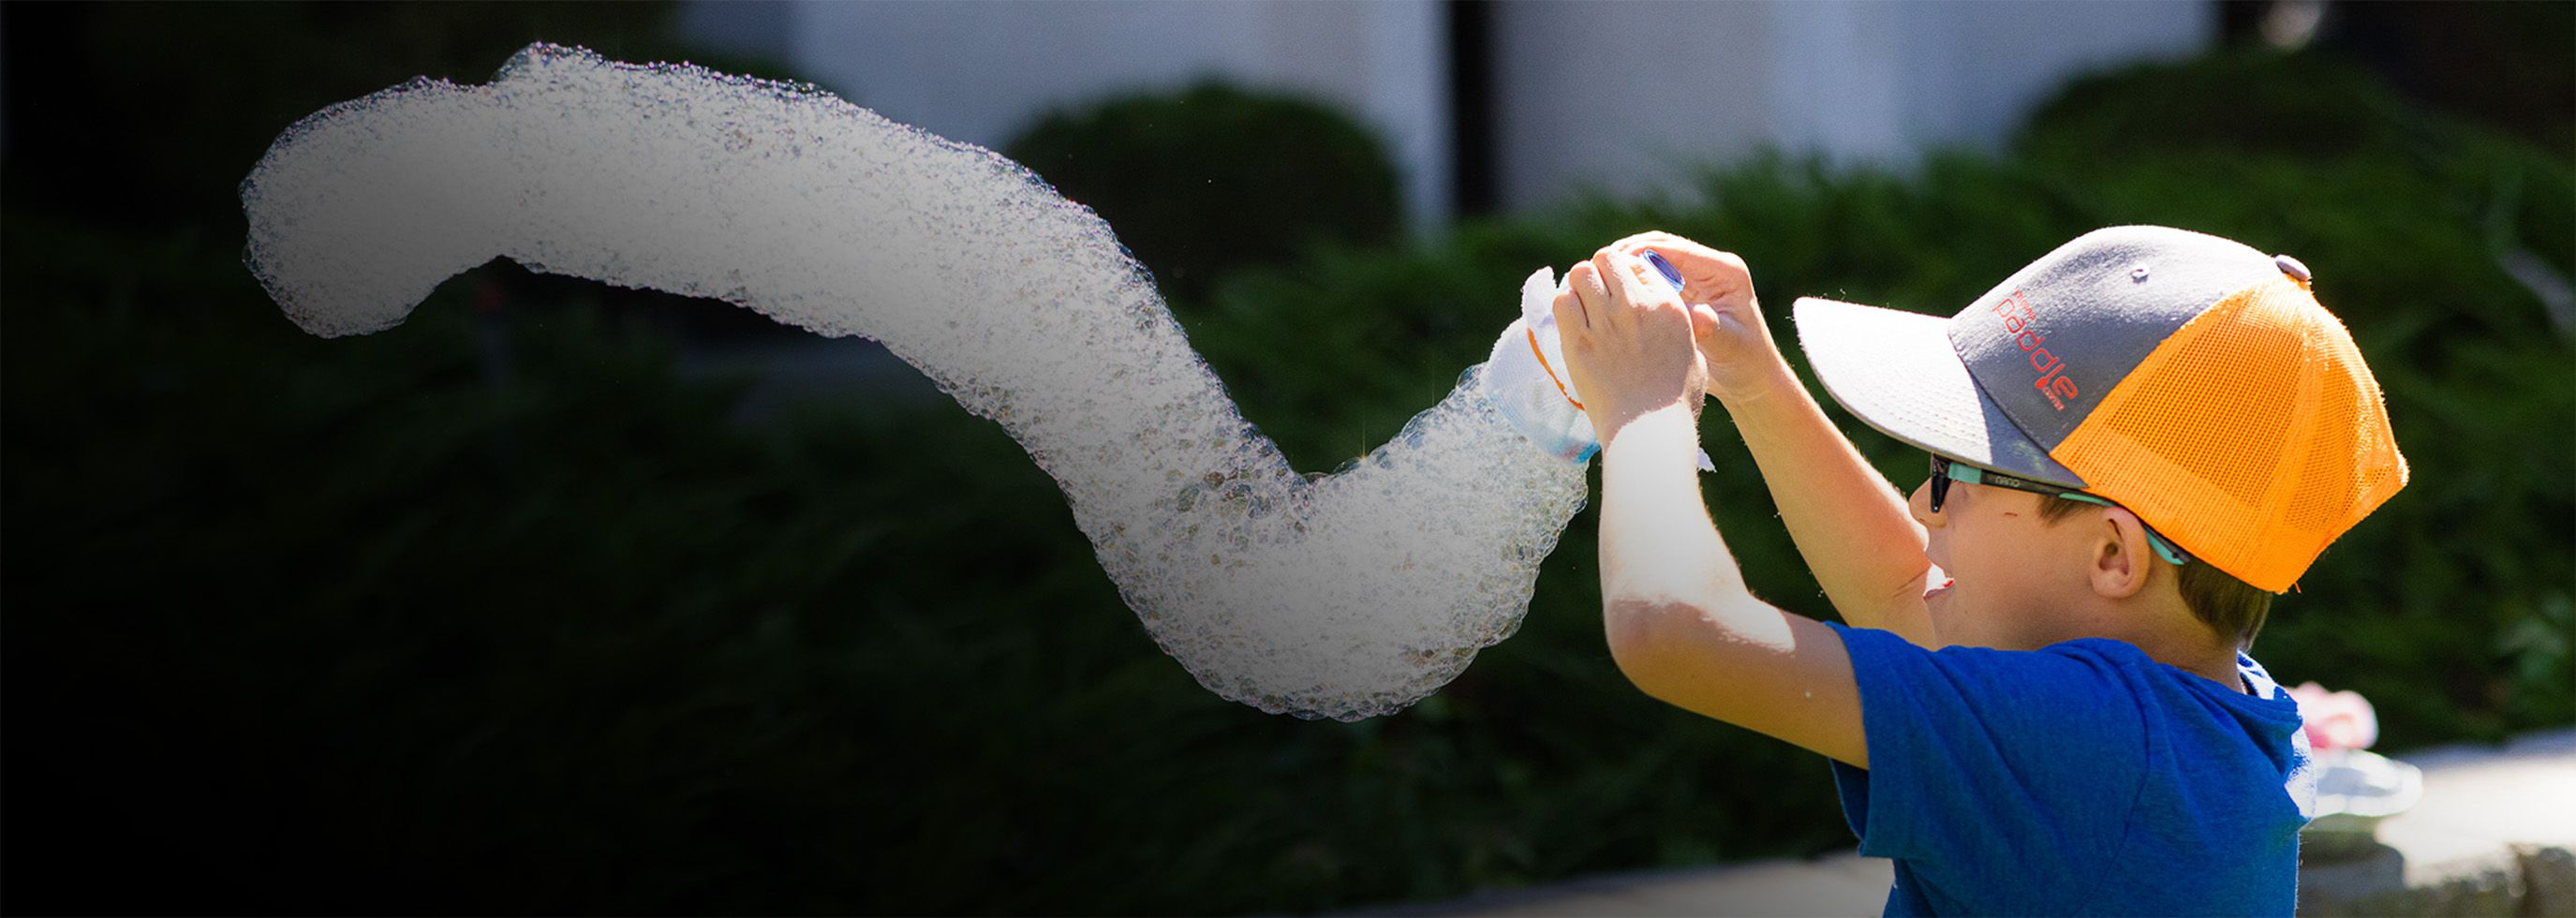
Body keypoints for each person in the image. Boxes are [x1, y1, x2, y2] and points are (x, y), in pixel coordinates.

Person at [1549, 226, 2407, 915]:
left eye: (1957, 472)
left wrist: (1646, 408)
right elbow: (1902, 596)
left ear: (2113, 554)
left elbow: (1672, 630)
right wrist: (1755, 381)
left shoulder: (2088, 746)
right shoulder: (2201, 712)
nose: (1924, 506)